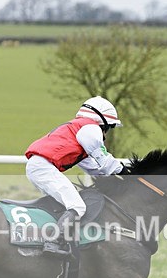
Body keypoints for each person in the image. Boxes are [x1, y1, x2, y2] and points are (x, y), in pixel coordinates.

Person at [25, 96, 125, 254]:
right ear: (101, 122)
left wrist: (114, 176)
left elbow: (94, 168)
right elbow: (104, 161)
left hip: (38, 166)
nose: (105, 135)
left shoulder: (77, 131)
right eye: (108, 128)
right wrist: (127, 171)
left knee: (63, 204)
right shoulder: (90, 128)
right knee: (77, 206)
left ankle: (47, 237)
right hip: (43, 167)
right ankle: (53, 243)